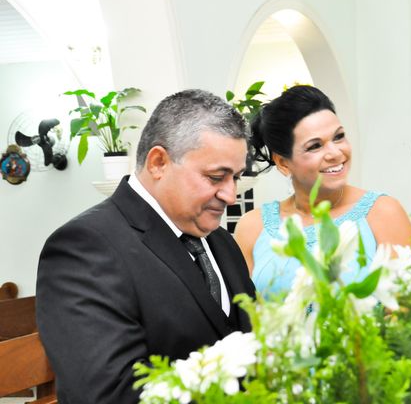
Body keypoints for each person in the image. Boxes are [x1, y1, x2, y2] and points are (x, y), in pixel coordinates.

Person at [36, 89, 256, 404]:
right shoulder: (84, 249)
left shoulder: (221, 241)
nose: (231, 195)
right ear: (158, 162)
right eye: (216, 177)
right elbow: (108, 396)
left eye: (235, 177)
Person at [234, 85, 411, 296]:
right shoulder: (252, 228)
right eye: (315, 146)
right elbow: (244, 316)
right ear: (283, 163)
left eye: (338, 137)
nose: (336, 153)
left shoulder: (383, 213)